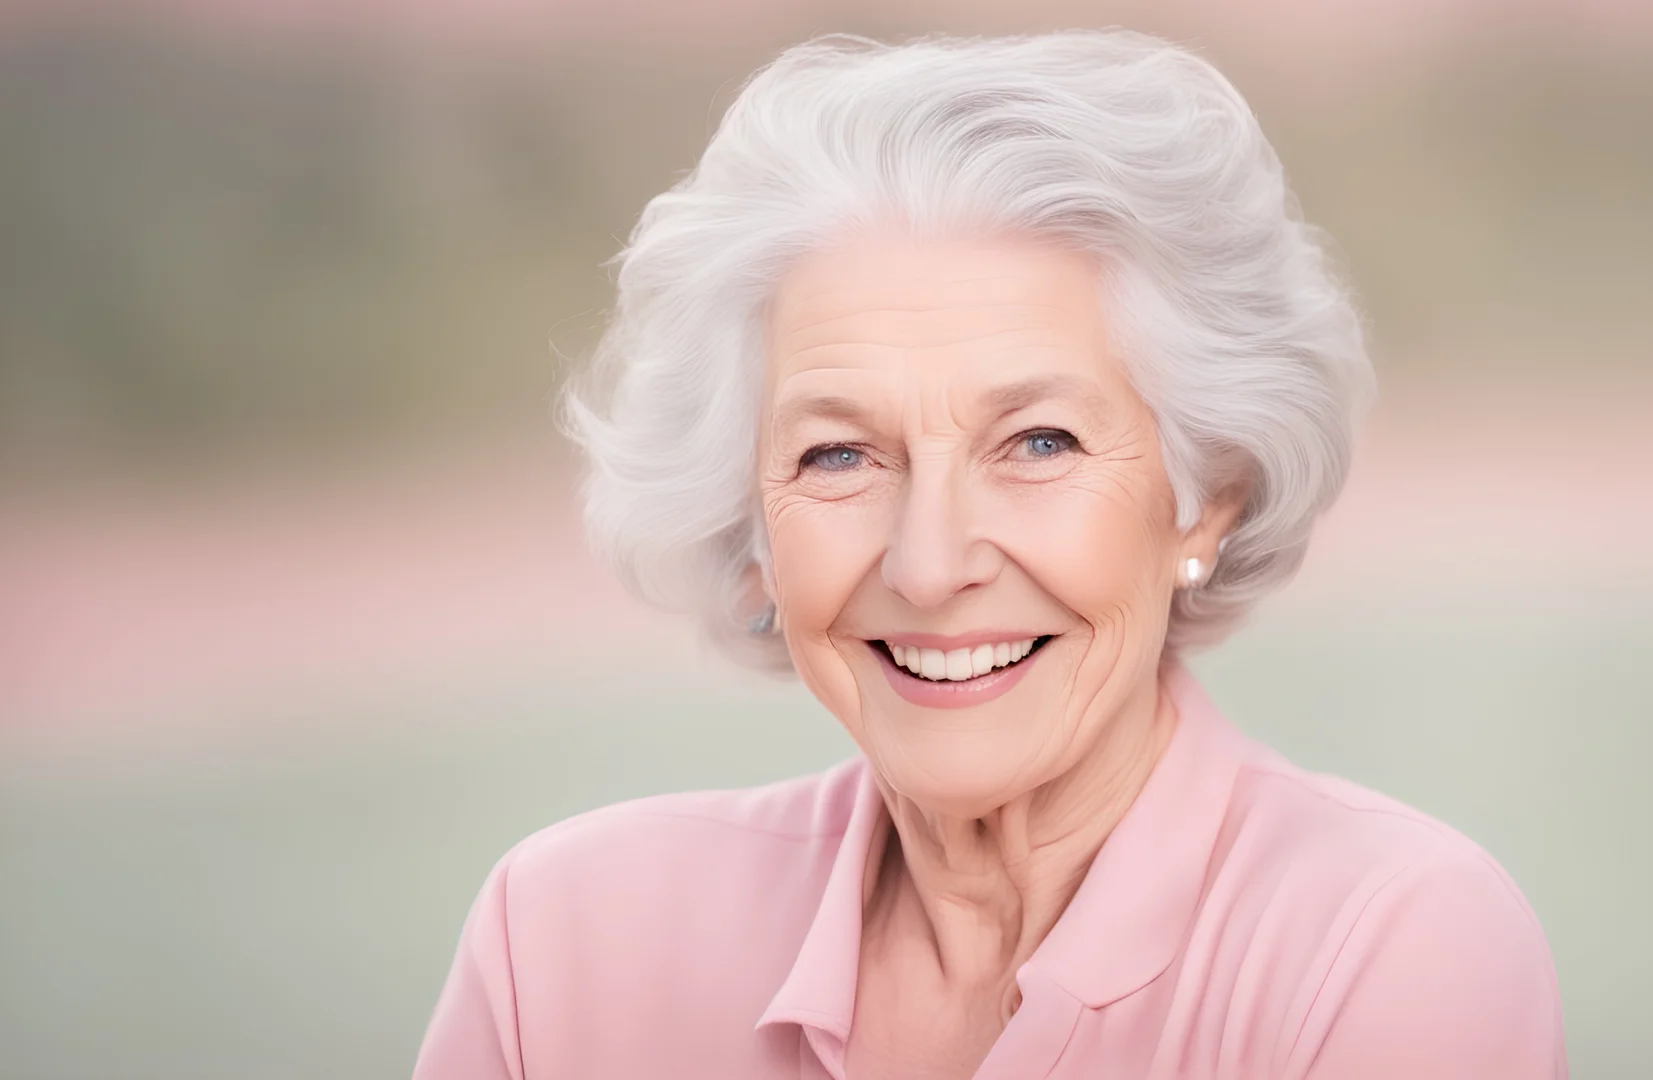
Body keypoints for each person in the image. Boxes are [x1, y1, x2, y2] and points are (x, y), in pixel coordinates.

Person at [414, 30, 1566, 1079]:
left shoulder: (1387, 952)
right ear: (751, 533)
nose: (930, 563)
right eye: (837, 457)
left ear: (1205, 499)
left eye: (1039, 441)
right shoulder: (561, 948)